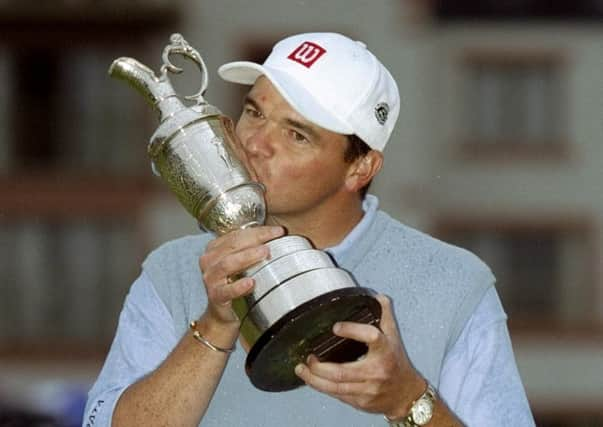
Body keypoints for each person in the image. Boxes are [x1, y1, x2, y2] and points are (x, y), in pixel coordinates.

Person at [84, 32, 535, 427]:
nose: (255, 143)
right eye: (255, 113)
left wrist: (407, 399)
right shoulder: (174, 271)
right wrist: (217, 320)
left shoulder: (453, 283)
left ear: (360, 167)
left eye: (296, 135)